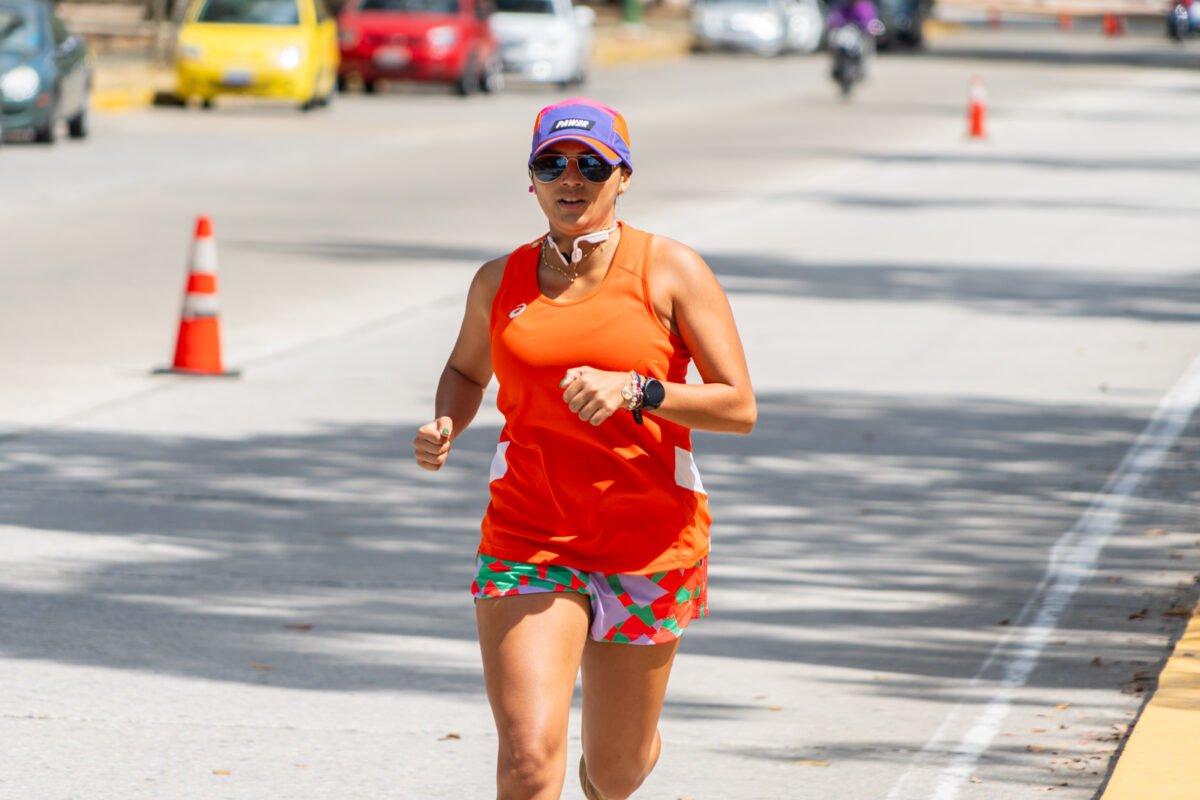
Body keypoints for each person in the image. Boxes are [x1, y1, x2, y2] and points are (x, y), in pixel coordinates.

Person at [412, 98, 756, 800]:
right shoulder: (498, 281)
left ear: (623, 176)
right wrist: (448, 420)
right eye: (552, 163)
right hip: (528, 537)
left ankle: (626, 750)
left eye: (591, 164)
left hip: (648, 544)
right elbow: (465, 371)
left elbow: (738, 406)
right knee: (529, 760)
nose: (571, 178)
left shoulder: (670, 270)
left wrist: (640, 390)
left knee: (616, 770)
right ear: (530, 179)